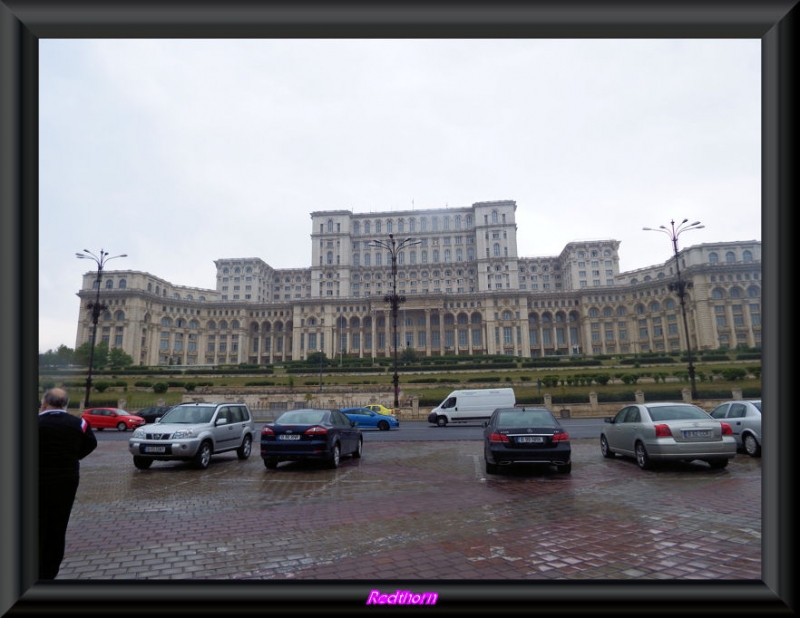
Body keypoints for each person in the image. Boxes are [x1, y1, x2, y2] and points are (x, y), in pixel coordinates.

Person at [38, 388, 97, 580]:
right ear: (66, 404)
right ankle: (50, 570)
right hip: (66, 479)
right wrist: (72, 457)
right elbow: (91, 443)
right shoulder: (79, 423)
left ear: (44, 403)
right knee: (58, 524)